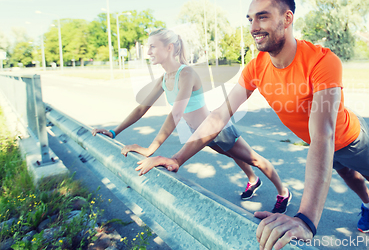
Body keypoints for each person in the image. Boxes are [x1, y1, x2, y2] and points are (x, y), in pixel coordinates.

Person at [139, 0, 369, 249]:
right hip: (327, 148)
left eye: (262, 17)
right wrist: (176, 159)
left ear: (287, 19)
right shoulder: (256, 66)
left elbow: (323, 134)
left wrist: (306, 219)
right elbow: (220, 115)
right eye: (250, 19)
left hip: (351, 138)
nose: (254, 26)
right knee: (348, 175)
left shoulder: (323, 61)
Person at [92, 28, 291, 213]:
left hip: (216, 130)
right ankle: (252, 179)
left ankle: (283, 192)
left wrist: (150, 149)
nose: (148, 51)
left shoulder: (185, 74)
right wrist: (114, 132)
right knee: (233, 155)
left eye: (152, 46)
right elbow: (141, 108)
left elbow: (176, 114)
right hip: (199, 135)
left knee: (254, 159)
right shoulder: (164, 78)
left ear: (169, 48)